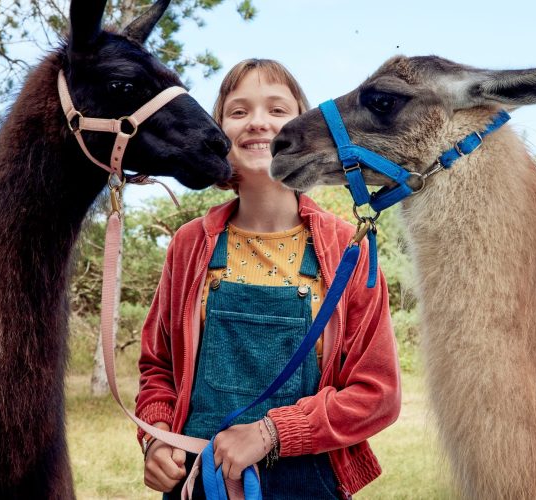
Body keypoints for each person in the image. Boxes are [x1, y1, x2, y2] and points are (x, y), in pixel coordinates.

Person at [135, 59, 401, 499]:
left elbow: (378, 394)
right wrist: (158, 436)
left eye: (277, 110)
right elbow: (158, 366)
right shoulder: (189, 245)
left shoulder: (349, 249)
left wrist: (272, 432)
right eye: (238, 112)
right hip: (200, 481)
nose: (258, 122)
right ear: (217, 131)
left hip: (308, 482)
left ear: (304, 125)